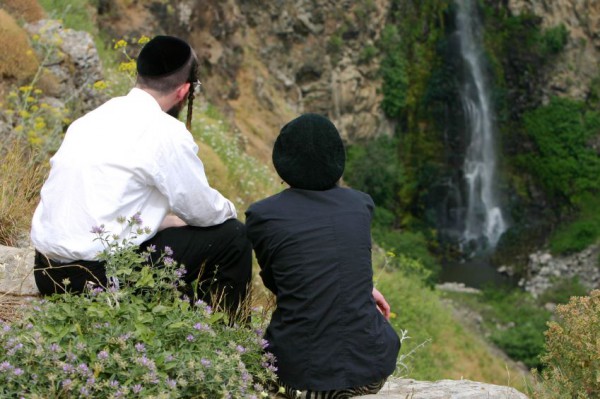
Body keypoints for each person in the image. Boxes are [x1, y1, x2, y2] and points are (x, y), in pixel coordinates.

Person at [30, 35, 252, 315]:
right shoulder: (165, 132)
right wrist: (230, 210)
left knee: (173, 226)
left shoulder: (91, 119)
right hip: (95, 279)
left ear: (139, 75)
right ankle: (222, 334)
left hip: (46, 271)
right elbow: (204, 211)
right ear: (184, 92)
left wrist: (160, 221)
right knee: (232, 236)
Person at [245, 114, 400, 398]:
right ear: (337, 160)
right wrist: (363, 290)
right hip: (372, 369)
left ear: (282, 163)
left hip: (297, 377)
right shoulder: (360, 205)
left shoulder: (262, 215)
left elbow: (281, 283)